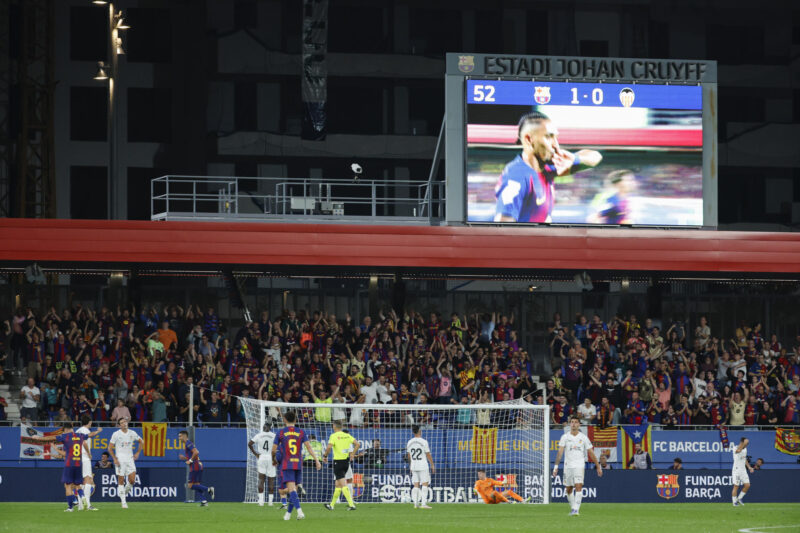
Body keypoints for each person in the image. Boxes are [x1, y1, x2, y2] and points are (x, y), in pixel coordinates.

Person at [494, 111, 602, 223]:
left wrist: (574, 159)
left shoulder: (549, 167)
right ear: (529, 139)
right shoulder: (516, 176)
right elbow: (502, 226)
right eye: (549, 137)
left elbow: (595, 158)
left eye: (556, 137)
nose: (556, 145)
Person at [28, 421, 91, 512]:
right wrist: (52, 453)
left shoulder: (65, 438)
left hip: (69, 464)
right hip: (78, 463)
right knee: (77, 485)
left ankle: (71, 506)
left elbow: (63, 454)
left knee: (67, 485)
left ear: (65, 430)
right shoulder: (76, 438)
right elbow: (62, 455)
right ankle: (82, 498)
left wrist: (53, 446)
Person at [272, 410, 321, 521]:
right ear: (295, 420)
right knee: (293, 490)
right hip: (298, 464)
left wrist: (273, 460)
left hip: (287, 464)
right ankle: (288, 514)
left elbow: (273, 450)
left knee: (292, 490)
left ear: (284, 420)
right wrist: (317, 460)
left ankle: (300, 512)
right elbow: (309, 447)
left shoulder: (281, 432)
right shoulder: (301, 432)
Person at [552, 415, 603, 516]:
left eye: (576, 422)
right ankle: (573, 508)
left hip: (579, 465)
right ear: (570, 424)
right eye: (572, 422)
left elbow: (591, 452)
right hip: (568, 466)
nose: (574, 424)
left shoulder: (583, 437)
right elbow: (560, 453)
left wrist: (598, 466)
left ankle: (576, 510)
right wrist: (556, 467)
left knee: (578, 486)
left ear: (579, 424)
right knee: (568, 489)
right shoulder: (565, 437)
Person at [323, 420, 359, 511]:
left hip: (338, 462)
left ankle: (351, 505)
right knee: (338, 485)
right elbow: (357, 444)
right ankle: (331, 505)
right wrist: (352, 454)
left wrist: (325, 456)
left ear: (334, 426)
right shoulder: (347, 435)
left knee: (343, 484)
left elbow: (328, 448)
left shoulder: (333, 436)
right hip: (346, 463)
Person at [108, 417, 143, 508]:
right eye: (122, 422)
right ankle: (123, 502)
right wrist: (115, 458)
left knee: (132, 480)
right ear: (119, 425)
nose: (124, 423)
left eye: (125, 421)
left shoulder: (132, 433)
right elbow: (110, 448)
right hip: (120, 459)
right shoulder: (116, 434)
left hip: (130, 459)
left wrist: (138, 453)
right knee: (121, 480)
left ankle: (123, 493)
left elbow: (141, 441)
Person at [178, 430, 215, 506]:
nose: (179, 438)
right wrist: (185, 458)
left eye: (180, 436)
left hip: (195, 466)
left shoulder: (188, 443)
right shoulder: (187, 444)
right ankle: (204, 501)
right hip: (198, 465)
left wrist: (190, 460)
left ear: (185, 436)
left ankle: (208, 489)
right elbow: (193, 455)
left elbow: (196, 452)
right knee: (197, 485)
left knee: (190, 485)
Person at [74, 414, 102, 510]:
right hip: (84, 457)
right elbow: (85, 441)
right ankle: (88, 505)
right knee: (88, 480)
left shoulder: (77, 430)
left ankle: (81, 505)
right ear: (89, 422)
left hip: (76, 458)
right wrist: (98, 431)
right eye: (91, 422)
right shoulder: (85, 430)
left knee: (80, 482)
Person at [406, 424, 435, 509]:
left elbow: (409, 455)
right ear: (420, 431)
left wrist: (411, 465)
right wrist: (432, 464)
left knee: (416, 484)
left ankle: (415, 503)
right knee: (424, 483)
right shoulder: (424, 442)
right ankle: (423, 504)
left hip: (414, 466)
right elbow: (428, 454)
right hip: (422, 465)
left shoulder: (409, 442)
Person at [248, 422, 277, 506]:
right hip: (270, 456)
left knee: (261, 479)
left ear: (264, 427)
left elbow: (249, 444)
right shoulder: (274, 435)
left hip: (262, 457)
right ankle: (270, 502)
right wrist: (274, 459)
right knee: (271, 480)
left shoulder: (259, 435)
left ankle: (261, 502)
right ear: (270, 427)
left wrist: (255, 454)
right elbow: (276, 448)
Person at [731, 437, 755, 506]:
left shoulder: (745, 449)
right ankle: (734, 502)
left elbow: (744, 459)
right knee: (736, 486)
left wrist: (749, 467)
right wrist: (743, 444)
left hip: (743, 470)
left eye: (747, 443)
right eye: (746, 443)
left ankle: (739, 498)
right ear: (742, 442)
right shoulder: (735, 448)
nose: (747, 445)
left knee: (747, 485)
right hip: (736, 470)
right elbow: (738, 451)